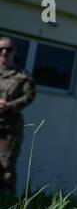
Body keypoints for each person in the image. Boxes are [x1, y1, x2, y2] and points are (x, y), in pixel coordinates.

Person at [0, 36, 36, 196]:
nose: (4, 52)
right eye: (1, 49)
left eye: (8, 49)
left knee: (6, 169)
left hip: (9, 130)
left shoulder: (22, 76)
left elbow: (29, 96)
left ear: (13, 52)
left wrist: (9, 106)